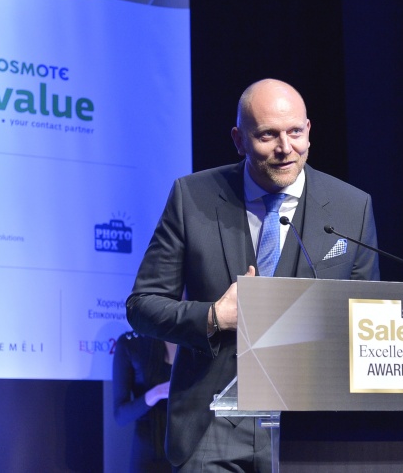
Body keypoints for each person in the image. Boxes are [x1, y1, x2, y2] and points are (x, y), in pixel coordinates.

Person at [126, 78, 380, 472]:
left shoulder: (351, 207)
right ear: (239, 140)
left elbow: (369, 319)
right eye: (267, 135)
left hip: (313, 427)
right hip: (212, 425)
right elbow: (142, 306)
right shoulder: (192, 198)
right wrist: (214, 317)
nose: (285, 148)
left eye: (294, 132)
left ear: (308, 131)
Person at [112, 330, 175, 472]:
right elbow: (120, 415)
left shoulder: (192, 339)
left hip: (187, 448)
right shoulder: (130, 343)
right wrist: (157, 392)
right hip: (148, 452)